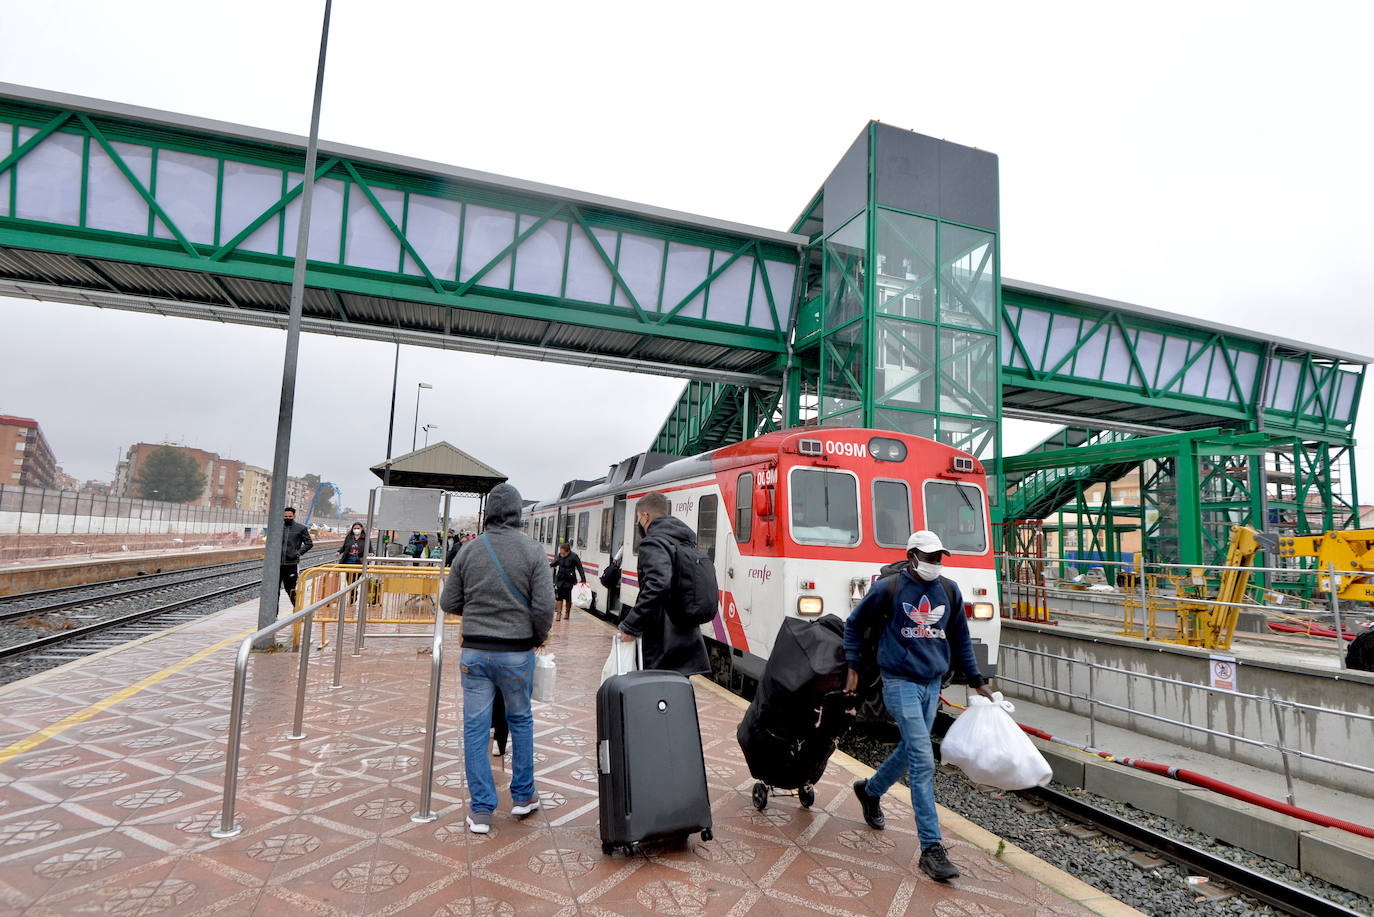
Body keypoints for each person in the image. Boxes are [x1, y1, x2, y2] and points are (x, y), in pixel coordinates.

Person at [843, 529, 995, 882]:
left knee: (911, 751)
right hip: (898, 681)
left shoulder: (949, 590)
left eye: (940, 557)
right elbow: (853, 625)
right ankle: (931, 849)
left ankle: (869, 791)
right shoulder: (888, 589)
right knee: (923, 759)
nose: (936, 563)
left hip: (931, 683)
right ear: (912, 558)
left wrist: (977, 680)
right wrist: (853, 670)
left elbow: (960, 637)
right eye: (930, 557)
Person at [439, 483, 554, 835]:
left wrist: (477, 611)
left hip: (474, 653)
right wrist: (536, 637)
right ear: (518, 513)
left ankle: (481, 811)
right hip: (517, 653)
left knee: (474, 728)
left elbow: (448, 602)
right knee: (520, 721)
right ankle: (522, 797)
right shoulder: (534, 551)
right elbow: (545, 607)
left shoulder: (469, 551)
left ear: (488, 512)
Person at [617, 491, 709, 676]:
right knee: (677, 697)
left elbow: (658, 583)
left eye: (638, 518)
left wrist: (631, 626)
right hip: (687, 637)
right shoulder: (683, 541)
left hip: (662, 642)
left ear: (645, 516)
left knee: (656, 697)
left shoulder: (653, 542)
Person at [278, 507, 313, 606]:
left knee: (290, 590)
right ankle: (273, 615)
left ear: (294, 516)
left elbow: (309, 543)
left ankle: (297, 610)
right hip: (277, 564)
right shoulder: (278, 527)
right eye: (285, 516)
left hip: (291, 564)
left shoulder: (301, 528)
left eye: (290, 516)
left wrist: (297, 554)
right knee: (274, 591)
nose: (288, 518)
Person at [549, 541, 587, 621]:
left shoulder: (574, 556)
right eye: (561, 553)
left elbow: (580, 568)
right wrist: (548, 565)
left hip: (570, 580)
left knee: (568, 598)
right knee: (559, 597)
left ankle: (567, 613)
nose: (562, 555)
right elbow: (555, 563)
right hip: (560, 579)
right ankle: (558, 614)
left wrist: (583, 579)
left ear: (568, 551)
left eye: (563, 553)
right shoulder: (560, 556)